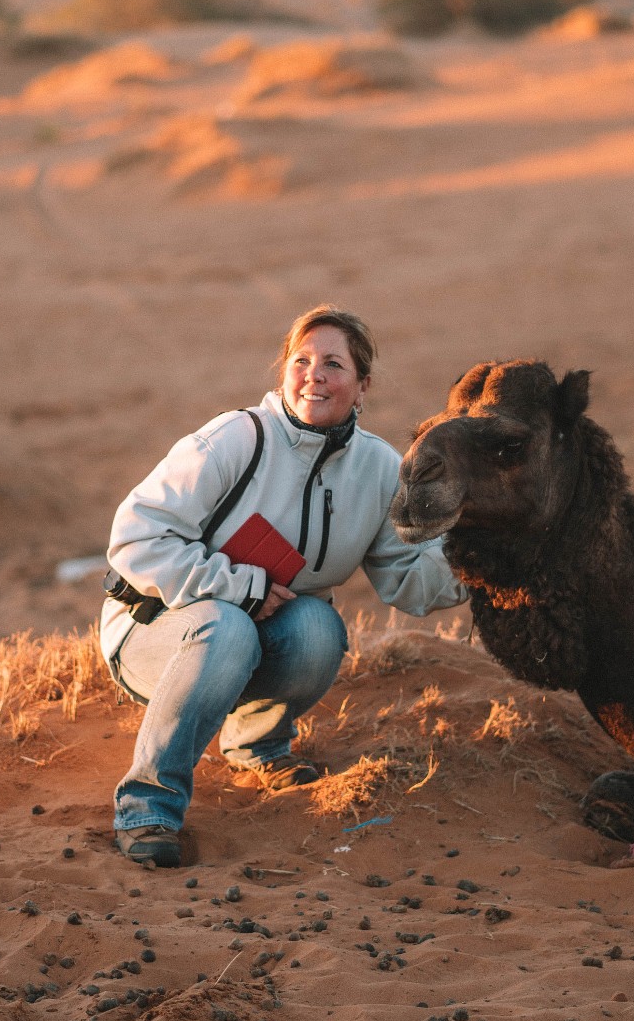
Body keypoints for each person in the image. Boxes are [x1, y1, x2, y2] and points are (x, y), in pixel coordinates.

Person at [102, 305, 465, 867]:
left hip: (252, 639)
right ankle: (148, 805)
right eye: (301, 360)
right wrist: (236, 585)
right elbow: (134, 539)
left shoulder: (377, 469)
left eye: (333, 364)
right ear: (284, 373)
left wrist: (481, 558)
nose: (314, 374)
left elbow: (410, 582)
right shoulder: (234, 439)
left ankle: (256, 746)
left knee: (319, 630)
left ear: (362, 385)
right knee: (226, 627)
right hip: (152, 632)